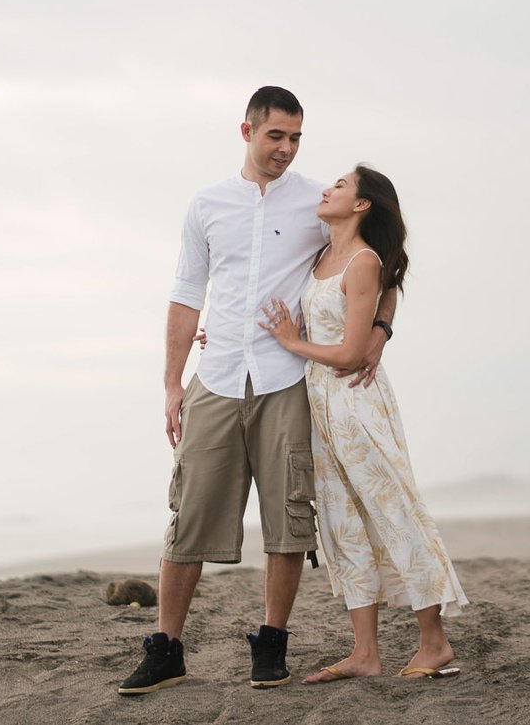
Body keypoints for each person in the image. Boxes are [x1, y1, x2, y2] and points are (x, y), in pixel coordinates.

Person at [118, 86, 395, 696]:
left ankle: (271, 646)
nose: (286, 150)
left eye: (296, 138)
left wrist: (379, 331)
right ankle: (165, 649)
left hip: (286, 382)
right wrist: (171, 384)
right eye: (276, 136)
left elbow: (385, 261)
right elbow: (187, 295)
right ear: (247, 131)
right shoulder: (207, 203)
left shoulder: (318, 203)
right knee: (187, 515)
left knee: (288, 520)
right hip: (215, 380)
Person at [259, 164, 466, 683]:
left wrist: (293, 343)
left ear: (362, 205)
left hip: (356, 404)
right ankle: (365, 654)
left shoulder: (362, 261)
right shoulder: (323, 255)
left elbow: (350, 355)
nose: (327, 189)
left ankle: (434, 642)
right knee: (342, 525)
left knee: (393, 513)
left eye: (341, 186)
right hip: (321, 410)